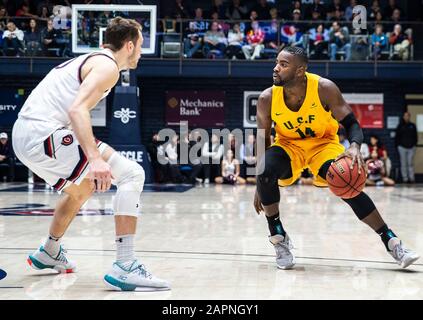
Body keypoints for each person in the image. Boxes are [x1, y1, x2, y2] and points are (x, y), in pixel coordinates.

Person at [12, 17, 170, 291]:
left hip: (26, 135)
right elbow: (77, 110)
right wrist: (95, 158)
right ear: (130, 45)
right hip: (43, 133)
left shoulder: (94, 59)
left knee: (82, 189)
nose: (142, 52)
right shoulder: (108, 66)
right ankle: (126, 265)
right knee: (132, 173)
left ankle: (49, 250)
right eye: (141, 45)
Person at [254, 46, 419, 270]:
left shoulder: (324, 88)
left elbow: (351, 123)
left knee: (346, 181)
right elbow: (263, 139)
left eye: (283, 64)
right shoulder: (267, 98)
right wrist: (259, 184)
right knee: (265, 170)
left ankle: (390, 240)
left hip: (323, 145)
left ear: (300, 70)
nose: (276, 68)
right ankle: (278, 237)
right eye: (277, 63)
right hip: (288, 147)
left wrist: (354, 146)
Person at [395, 111, 417, 183]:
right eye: (405, 116)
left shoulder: (412, 125)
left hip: (411, 148)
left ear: (409, 117)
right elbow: (397, 137)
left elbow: (415, 136)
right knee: (403, 163)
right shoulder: (400, 126)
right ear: (403, 117)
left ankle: (412, 178)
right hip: (402, 147)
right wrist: (398, 145)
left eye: (408, 116)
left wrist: (414, 144)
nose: (406, 117)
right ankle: (405, 179)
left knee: (410, 163)